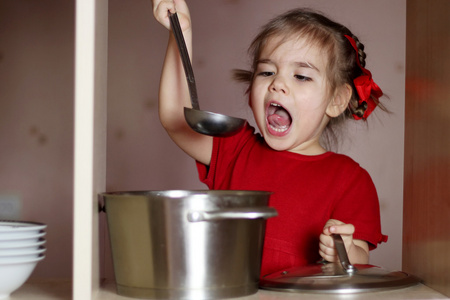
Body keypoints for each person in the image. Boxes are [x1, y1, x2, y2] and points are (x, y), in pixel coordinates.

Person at [152, 0, 388, 276]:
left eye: (301, 76)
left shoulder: (351, 180)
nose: (278, 83)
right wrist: (181, 31)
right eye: (267, 72)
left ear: (336, 100)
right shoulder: (234, 149)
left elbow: (357, 260)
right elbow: (175, 117)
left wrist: (343, 252)